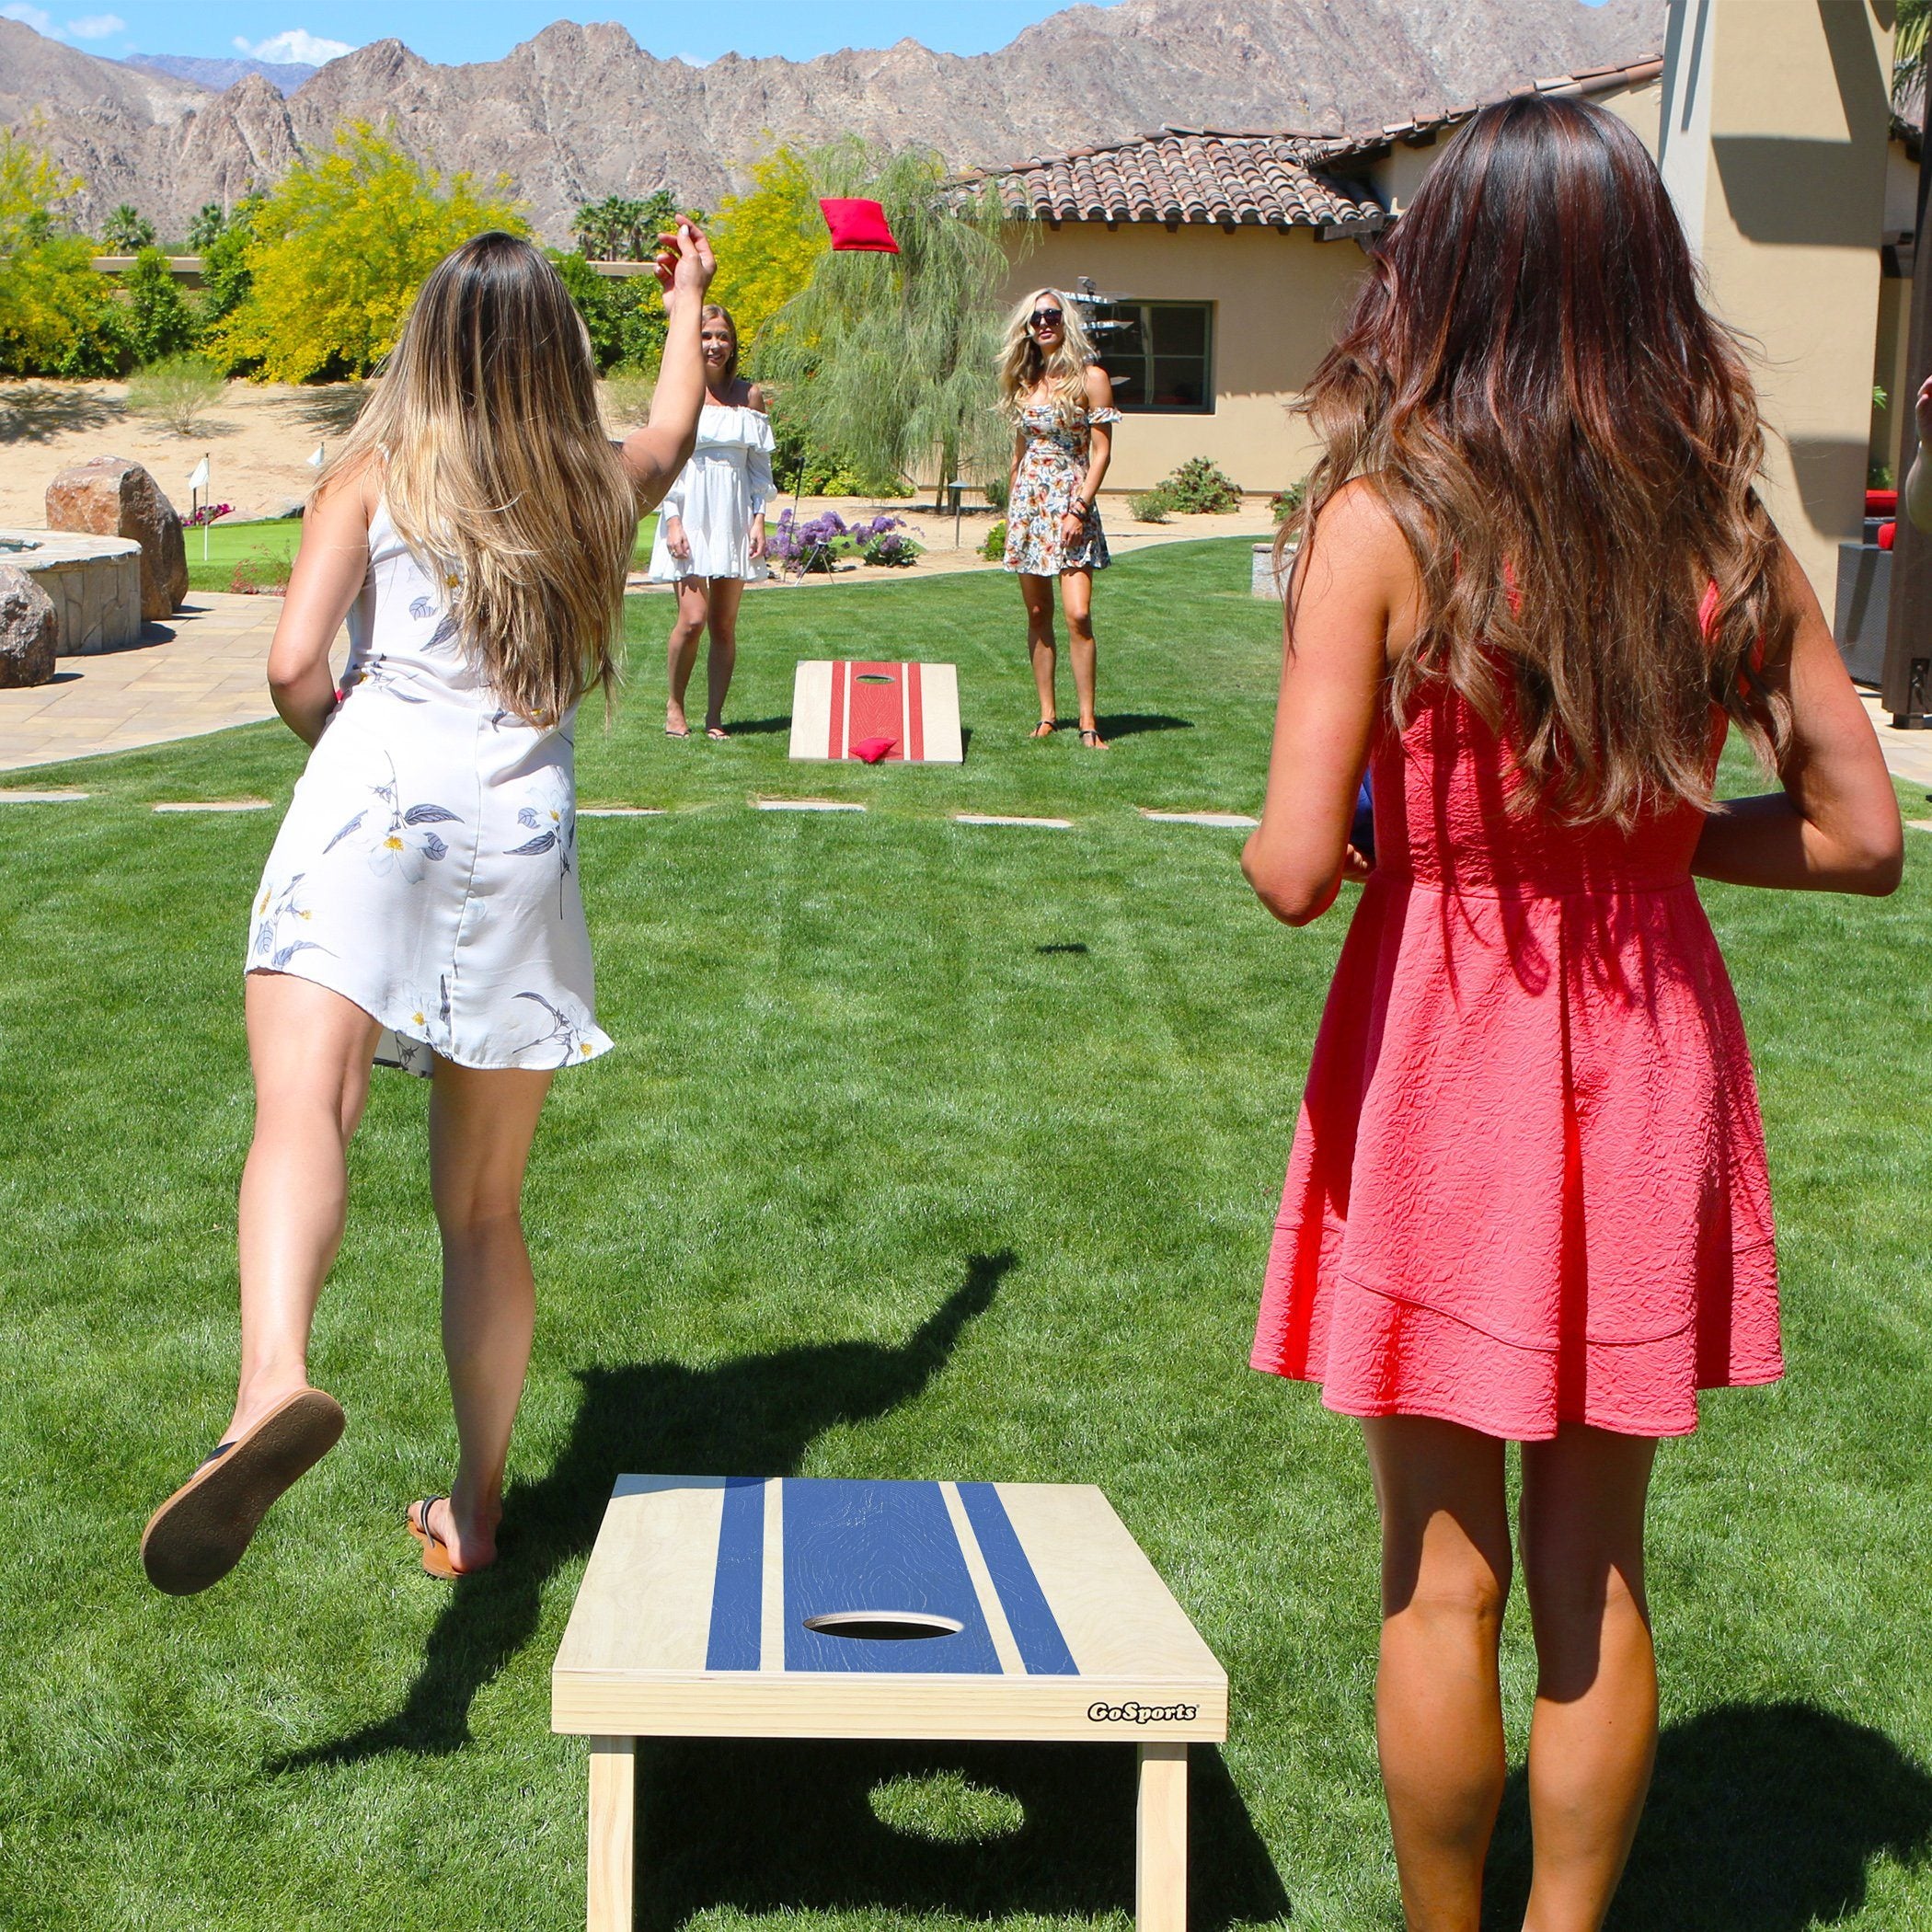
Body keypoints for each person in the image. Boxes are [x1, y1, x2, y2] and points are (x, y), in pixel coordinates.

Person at [1240, 98, 1902, 1931]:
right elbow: (1864, 839)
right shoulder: (1727, 539)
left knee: (1441, 1574)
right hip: (1645, 1042)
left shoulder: (1382, 525)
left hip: (1446, 1042)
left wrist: (1385, 836)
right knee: (1598, 1569)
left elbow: (1297, 871)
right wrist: (1662, 845)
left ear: (1440, 279)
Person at [139, 221, 718, 1594]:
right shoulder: (599, 484)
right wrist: (688, 293)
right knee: (480, 1209)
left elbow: (293, 669)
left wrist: (347, 763)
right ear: (553, 352)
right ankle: (475, 1505)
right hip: (524, 841)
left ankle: (271, 1380)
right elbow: (679, 423)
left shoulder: (373, 470)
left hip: (373, 798)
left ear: (431, 339)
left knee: (305, 1109)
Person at [997, 288, 1121, 748]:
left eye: (1051, 315)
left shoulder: (1091, 378)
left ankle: (1089, 722)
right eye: (1035, 319)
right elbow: (1019, 451)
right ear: (1026, 329)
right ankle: (1048, 715)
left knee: (1079, 613)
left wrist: (1080, 507)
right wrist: (1013, 508)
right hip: (1030, 504)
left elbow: (1102, 452)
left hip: (1071, 499)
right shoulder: (1022, 381)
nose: (1043, 323)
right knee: (1036, 611)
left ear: (1065, 319)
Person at [648, 303, 774, 740]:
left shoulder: (749, 396)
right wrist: (673, 521)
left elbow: (760, 468)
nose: (715, 344)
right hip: (690, 513)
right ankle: (674, 706)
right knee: (693, 618)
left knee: (723, 624)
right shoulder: (677, 394)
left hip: (735, 516)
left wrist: (759, 519)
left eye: (722, 336)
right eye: (706, 336)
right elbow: (667, 464)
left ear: (733, 343)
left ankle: (714, 716)